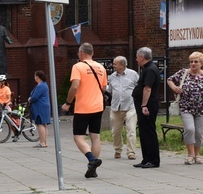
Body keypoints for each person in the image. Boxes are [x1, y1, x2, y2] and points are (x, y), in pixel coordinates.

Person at [60, 42, 107, 178]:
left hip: (83, 107)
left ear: (81, 53)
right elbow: (103, 88)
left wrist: (68, 103)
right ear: (92, 53)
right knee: (95, 136)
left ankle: (92, 159)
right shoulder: (101, 67)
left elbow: (75, 87)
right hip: (98, 106)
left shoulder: (78, 66)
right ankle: (93, 169)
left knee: (78, 137)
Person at [167, 51, 203, 164]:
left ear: (201, 63)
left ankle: (197, 155)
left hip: (201, 108)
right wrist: (175, 88)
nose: (193, 64)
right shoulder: (184, 73)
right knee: (189, 129)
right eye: (191, 62)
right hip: (185, 107)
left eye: (196, 62)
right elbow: (169, 80)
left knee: (198, 132)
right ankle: (190, 154)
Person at [133, 47, 161, 168]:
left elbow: (147, 88)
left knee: (149, 131)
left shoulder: (150, 69)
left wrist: (144, 105)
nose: (136, 59)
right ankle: (146, 158)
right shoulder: (146, 68)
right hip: (144, 104)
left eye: (137, 57)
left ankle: (153, 159)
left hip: (148, 104)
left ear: (142, 57)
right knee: (143, 132)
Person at [106, 56, 139, 160]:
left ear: (122, 65)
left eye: (115, 64)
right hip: (116, 107)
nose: (113, 65)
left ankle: (131, 152)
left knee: (131, 130)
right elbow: (110, 90)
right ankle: (117, 150)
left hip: (131, 106)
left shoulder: (133, 74)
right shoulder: (112, 77)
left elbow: (138, 88)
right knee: (116, 131)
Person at [28, 70, 51, 148]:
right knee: (44, 124)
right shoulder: (44, 85)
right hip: (44, 106)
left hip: (40, 107)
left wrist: (30, 99)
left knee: (40, 124)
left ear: (37, 77)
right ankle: (44, 142)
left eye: (35, 76)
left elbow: (35, 97)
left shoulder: (40, 86)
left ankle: (42, 142)